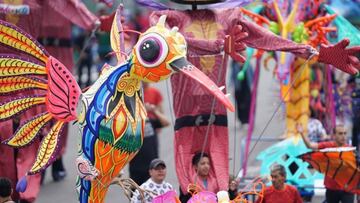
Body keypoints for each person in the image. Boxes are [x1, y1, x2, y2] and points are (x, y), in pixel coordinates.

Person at [298, 123, 354, 203]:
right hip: (332, 188)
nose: (343, 136)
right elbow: (309, 146)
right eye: (340, 133)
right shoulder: (327, 146)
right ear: (334, 135)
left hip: (347, 188)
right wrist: (301, 133)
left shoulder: (350, 149)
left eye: (345, 133)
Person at [129, 83, 169, 186]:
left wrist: (154, 111)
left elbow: (166, 121)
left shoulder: (151, 121)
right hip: (136, 166)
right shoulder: (131, 126)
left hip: (152, 163)